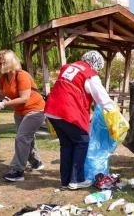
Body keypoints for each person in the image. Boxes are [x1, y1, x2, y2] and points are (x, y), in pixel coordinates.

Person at [44, 51, 116, 190]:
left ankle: (65, 181)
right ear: (96, 65)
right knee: (82, 141)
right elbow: (101, 97)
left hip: (52, 110)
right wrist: (113, 111)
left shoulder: (67, 67)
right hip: (68, 111)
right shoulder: (89, 75)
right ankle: (76, 180)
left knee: (67, 145)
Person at [0, 50, 46, 182]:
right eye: (0, 61)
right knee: (27, 138)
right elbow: (0, 95)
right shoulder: (4, 77)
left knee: (22, 138)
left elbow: (24, 98)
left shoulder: (22, 75)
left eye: (4, 61)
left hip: (36, 110)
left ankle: (17, 171)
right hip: (20, 112)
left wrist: (3, 105)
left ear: (12, 62)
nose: (2, 63)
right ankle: (37, 163)